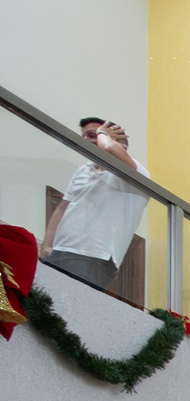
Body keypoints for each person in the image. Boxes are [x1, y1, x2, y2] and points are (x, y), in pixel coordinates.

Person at [38, 117, 149, 293]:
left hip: (94, 255)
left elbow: (109, 148)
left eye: (93, 135)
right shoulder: (82, 171)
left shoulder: (135, 172)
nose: (87, 141)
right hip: (60, 250)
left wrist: (104, 135)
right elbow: (63, 208)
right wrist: (46, 244)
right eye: (84, 137)